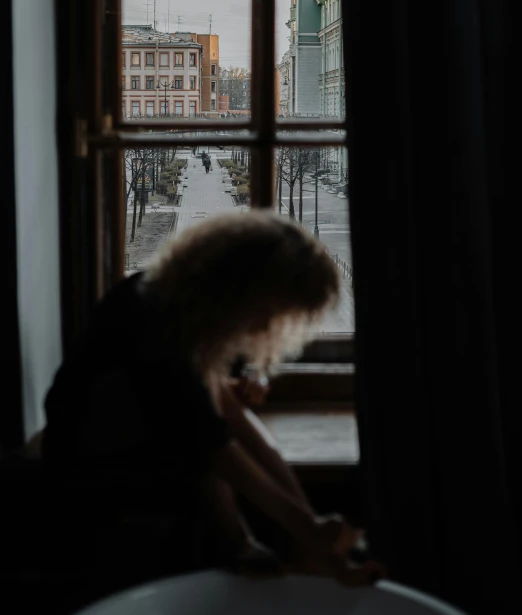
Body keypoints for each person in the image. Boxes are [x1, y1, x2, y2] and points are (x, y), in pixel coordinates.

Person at [42, 212, 384, 585]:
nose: (270, 325)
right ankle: (254, 544)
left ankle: (279, 546)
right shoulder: (154, 316)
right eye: (273, 309)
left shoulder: (188, 315)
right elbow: (209, 445)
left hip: (151, 438)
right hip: (85, 451)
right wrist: (305, 527)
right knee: (204, 412)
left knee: (216, 398)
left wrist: (308, 525)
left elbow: (218, 422)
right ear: (244, 288)